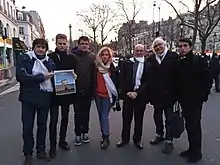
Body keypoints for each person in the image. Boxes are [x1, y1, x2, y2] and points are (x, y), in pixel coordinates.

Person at [16, 38, 55, 165]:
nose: (40, 49)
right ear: (34, 47)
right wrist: (42, 77)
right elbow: (21, 77)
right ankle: (28, 153)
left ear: (46, 49)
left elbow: (55, 76)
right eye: (38, 46)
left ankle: (41, 150)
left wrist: (70, 77)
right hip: (28, 99)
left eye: (43, 47)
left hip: (44, 98)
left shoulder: (49, 61)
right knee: (27, 127)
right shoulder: (25, 58)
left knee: (42, 126)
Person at [177, 38, 212, 163]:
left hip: (195, 100)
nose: (182, 48)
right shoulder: (179, 61)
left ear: (190, 47)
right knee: (189, 125)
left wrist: (203, 96)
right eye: (180, 46)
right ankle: (191, 149)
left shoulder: (198, 61)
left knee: (195, 126)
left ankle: (197, 152)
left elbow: (207, 79)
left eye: (185, 46)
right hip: (184, 100)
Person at [116, 44, 152, 149]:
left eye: (141, 50)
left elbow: (147, 81)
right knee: (126, 118)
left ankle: (137, 139)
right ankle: (124, 138)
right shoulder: (127, 63)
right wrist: (126, 92)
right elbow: (121, 79)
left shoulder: (148, 65)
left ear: (144, 52)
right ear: (134, 51)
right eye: (137, 50)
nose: (139, 52)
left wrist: (137, 92)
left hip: (140, 95)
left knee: (139, 119)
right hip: (128, 95)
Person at [148, 37, 178, 154]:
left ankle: (169, 140)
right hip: (156, 95)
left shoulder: (173, 56)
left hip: (170, 94)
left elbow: (178, 76)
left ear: (165, 45)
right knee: (157, 116)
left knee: (169, 118)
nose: (158, 47)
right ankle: (159, 134)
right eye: (155, 46)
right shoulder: (151, 59)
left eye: (160, 45)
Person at [48, 34, 76, 158]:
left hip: (66, 92)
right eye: (60, 43)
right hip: (53, 93)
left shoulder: (71, 58)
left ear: (67, 44)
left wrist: (75, 76)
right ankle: (52, 146)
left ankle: (62, 141)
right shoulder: (50, 57)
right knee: (53, 120)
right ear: (56, 43)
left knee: (65, 118)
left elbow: (75, 72)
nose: (62, 46)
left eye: (64, 44)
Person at [70, 36, 95, 146]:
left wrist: (93, 90)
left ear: (89, 45)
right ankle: (78, 134)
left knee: (86, 113)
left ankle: (85, 132)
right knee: (77, 114)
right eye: (82, 43)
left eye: (86, 43)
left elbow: (94, 75)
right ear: (78, 44)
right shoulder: (72, 56)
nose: (84, 45)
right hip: (76, 90)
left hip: (88, 90)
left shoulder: (92, 57)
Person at [94, 46, 119, 149]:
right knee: (100, 116)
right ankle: (103, 134)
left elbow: (117, 81)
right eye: (103, 54)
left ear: (110, 56)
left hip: (108, 96)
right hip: (97, 95)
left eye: (107, 54)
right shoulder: (95, 66)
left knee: (104, 116)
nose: (104, 56)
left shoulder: (113, 67)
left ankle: (106, 137)